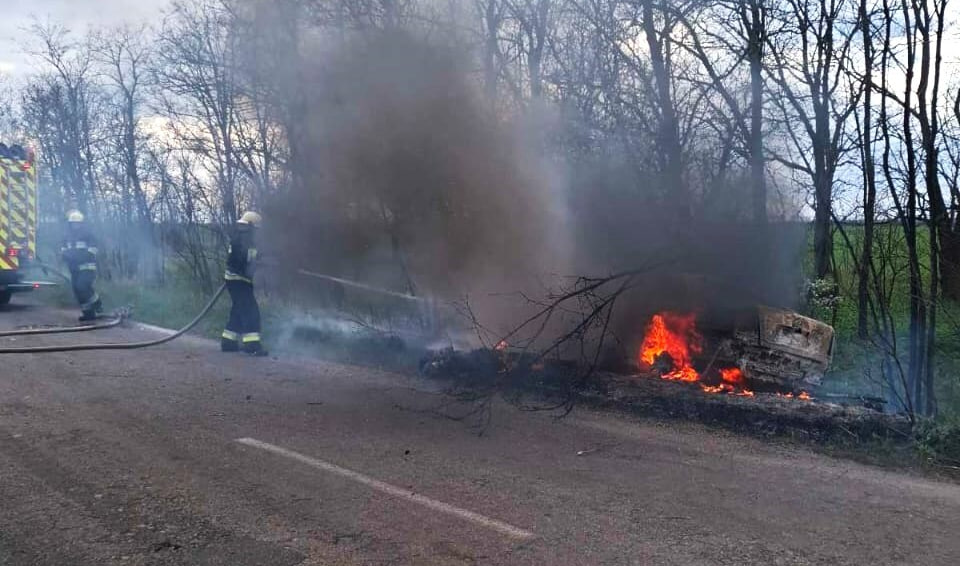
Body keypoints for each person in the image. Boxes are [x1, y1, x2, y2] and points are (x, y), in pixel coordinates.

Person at [221, 211, 268, 356]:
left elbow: (251, 258)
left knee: (238, 311)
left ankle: (228, 342)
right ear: (252, 226)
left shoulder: (239, 238)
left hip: (235, 281)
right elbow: (243, 261)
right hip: (239, 281)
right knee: (251, 312)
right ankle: (252, 346)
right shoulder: (245, 240)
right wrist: (258, 263)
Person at [61, 210, 102, 322]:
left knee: (82, 286)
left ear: (81, 223)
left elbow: (94, 248)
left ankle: (97, 303)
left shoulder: (88, 234)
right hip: (74, 269)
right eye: (73, 223)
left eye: (77, 223)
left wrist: (84, 257)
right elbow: (63, 249)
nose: (75, 225)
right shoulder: (67, 236)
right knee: (77, 291)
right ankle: (88, 313)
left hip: (87, 267)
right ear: (70, 224)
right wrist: (65, 256)